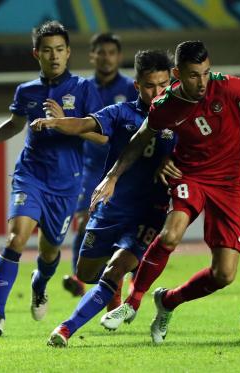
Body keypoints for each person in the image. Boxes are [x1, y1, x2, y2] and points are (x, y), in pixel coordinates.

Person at [94, 40, 240, 344]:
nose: (202, 82)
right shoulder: (165, 105)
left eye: (206, 73)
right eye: (194, 75)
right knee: (171, 234)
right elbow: (138, 140)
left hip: (228, 184)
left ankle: (169, 300)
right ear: (177, 74)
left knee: (224, 275)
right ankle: (132, 303)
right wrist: (113, 176)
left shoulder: (225, 87)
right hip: (190, 175)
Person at [28, 49, 175, 347]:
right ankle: (119, 283)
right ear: (137, 86)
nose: (156, 92)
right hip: (111, 208)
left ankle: (65, 329)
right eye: (149, 85)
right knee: (87, 272)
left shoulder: (181, 118)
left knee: (115, 268)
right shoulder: (121, 113)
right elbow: (84, 123)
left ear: (171, 83)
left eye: (162, 85)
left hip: (149, 212)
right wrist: (57, 123)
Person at [0, 20, 103, 337]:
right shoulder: (27, 91)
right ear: (37, 54)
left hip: (66, 183)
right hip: (30, 175)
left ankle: (39, 283)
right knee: (15, 238)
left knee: (49, 251)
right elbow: (16, 124)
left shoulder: (85, 89)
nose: (54, 56)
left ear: (69, 52)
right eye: (48, 50)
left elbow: (103, 137)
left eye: (60, 50)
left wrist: (64, 123)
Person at [63, 33, 138, 302]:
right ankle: (79, 277)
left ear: (118, 56)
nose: (106, 57)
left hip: (126, 167)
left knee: (130, 226)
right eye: (101, 52)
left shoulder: (132, 87)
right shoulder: (82, 89)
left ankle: (124, 281)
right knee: (84, 221)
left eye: (111, 52)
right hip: (92, 167)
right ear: (92, 55)